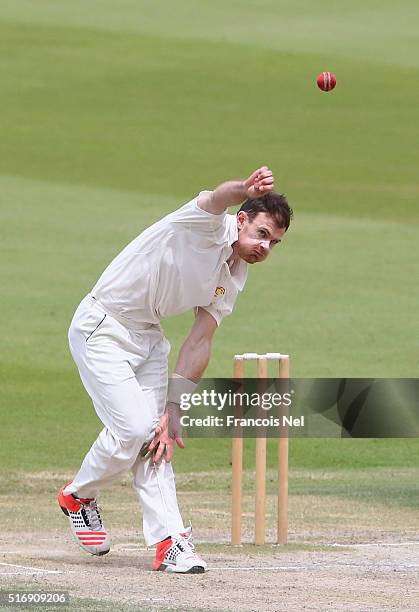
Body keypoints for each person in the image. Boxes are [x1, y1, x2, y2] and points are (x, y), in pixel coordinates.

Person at [57, 166, 293, 573]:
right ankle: (79, 495)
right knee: (134, 430)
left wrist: (174, 411)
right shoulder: (202, 223)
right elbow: (218, 196)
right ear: (242, 219)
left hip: (148, 337)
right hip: (102, 325)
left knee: (158, 438)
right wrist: (243, 188)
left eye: (274, 243)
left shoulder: (235, 275)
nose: (265, 247)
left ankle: (170, 543)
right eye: (261, 234)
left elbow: (200, 340)